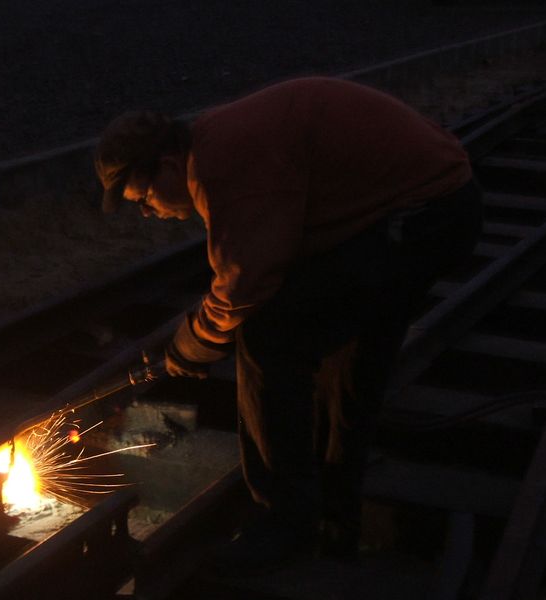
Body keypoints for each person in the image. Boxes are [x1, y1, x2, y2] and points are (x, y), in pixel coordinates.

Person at [94, 77, 482, 570]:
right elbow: (268, 258)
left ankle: (285, 518)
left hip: (425, 214)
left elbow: (244, 286)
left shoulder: (222, 164)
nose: (149, 212)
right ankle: (335, 513)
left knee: (268, 337)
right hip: (430, 205)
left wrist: (191, 345)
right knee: (345, 356)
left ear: (169, 164)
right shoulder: (220, 141)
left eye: (144, 199)